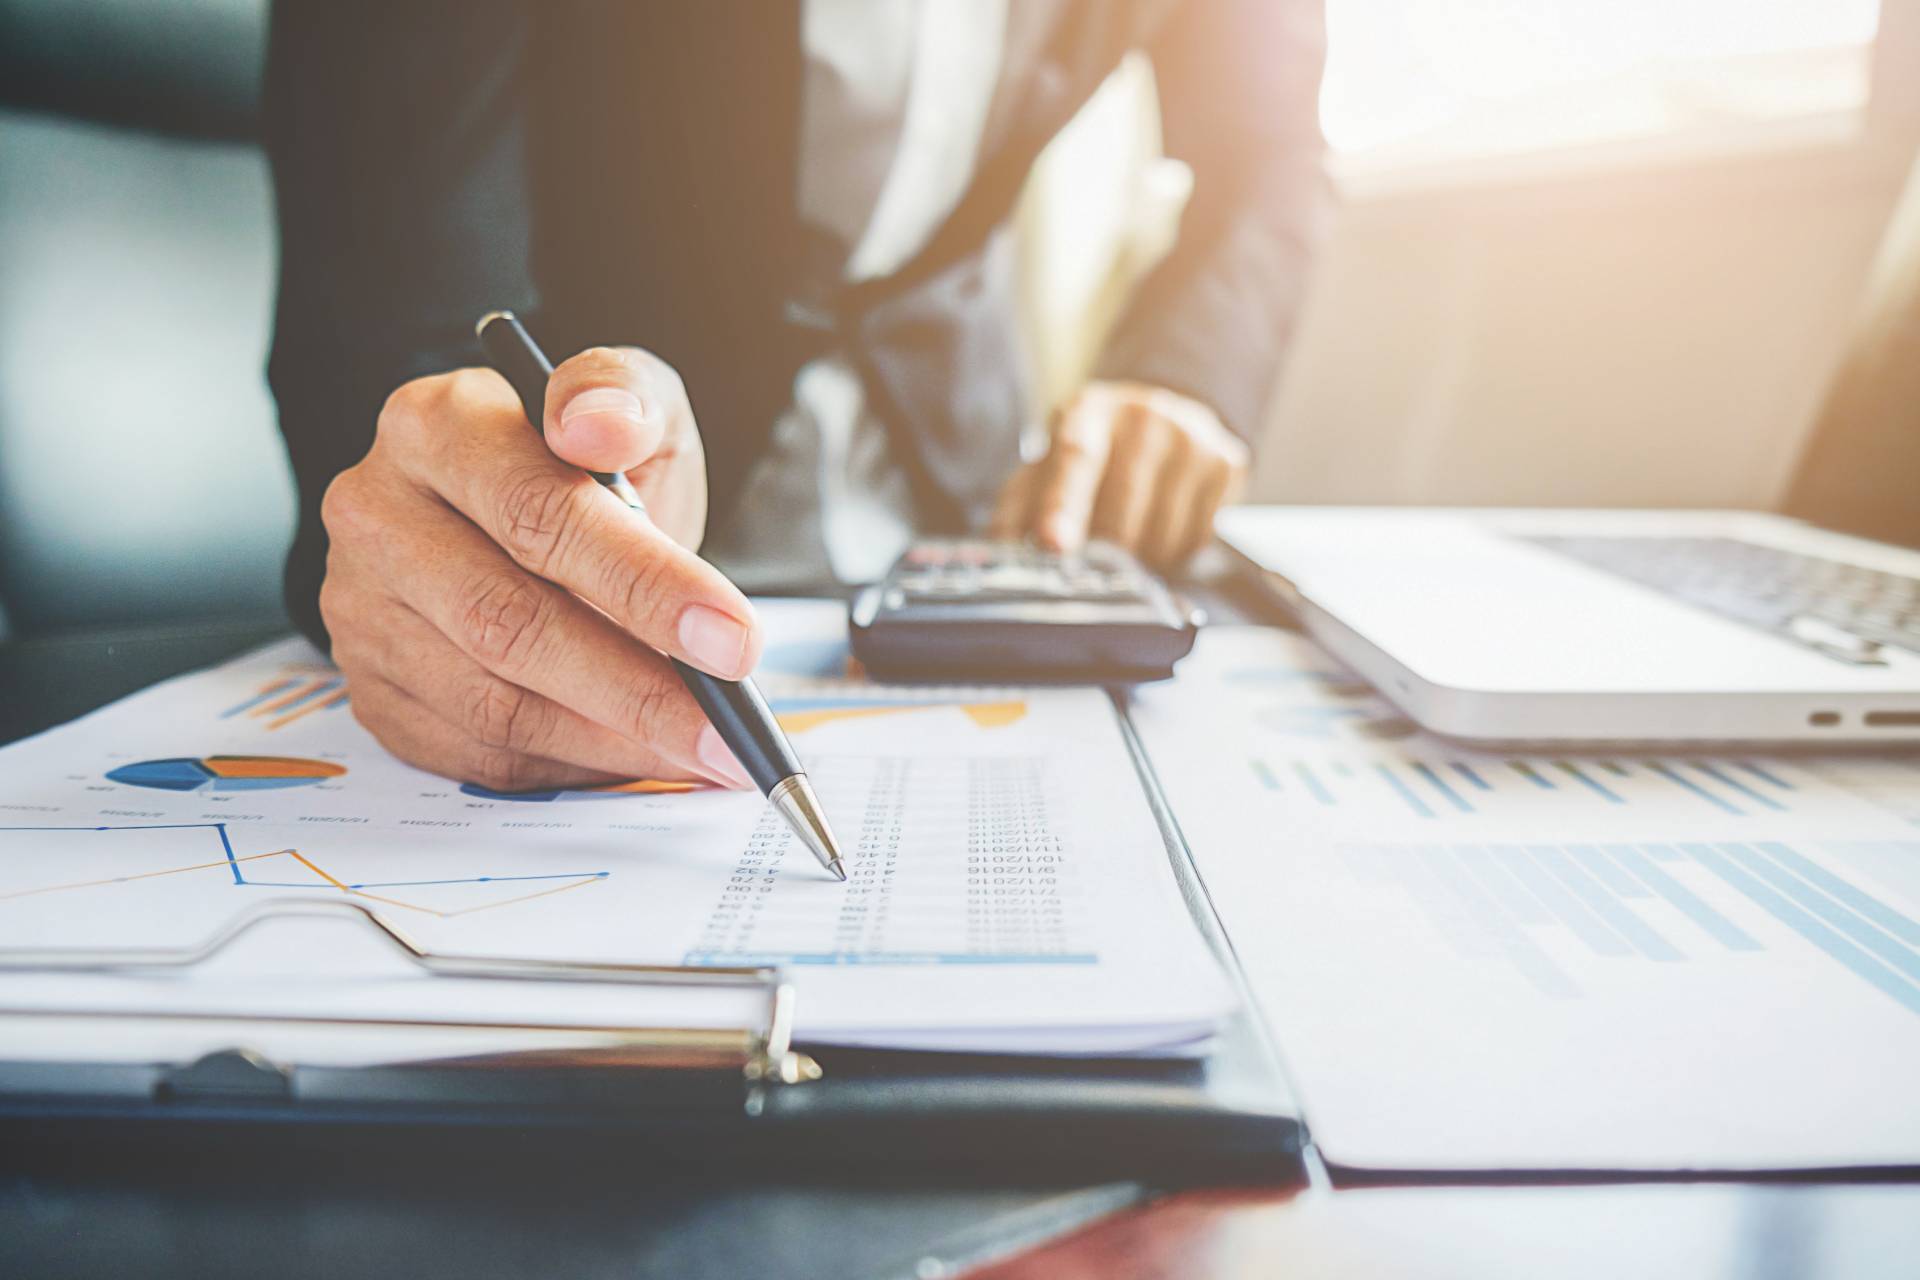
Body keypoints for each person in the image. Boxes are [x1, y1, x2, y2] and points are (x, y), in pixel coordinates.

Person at [264, 0, 1328, 793]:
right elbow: (390, 262)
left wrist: (1188, 378)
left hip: (968, 521)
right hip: (610, 502)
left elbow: (1268, 147)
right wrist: (445, 506)